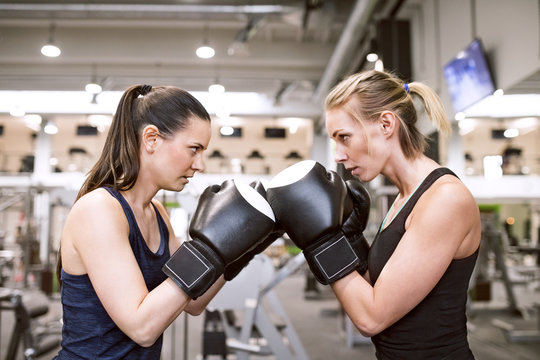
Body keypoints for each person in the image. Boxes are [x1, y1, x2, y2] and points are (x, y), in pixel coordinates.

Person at [266, 69, 481, 359]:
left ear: (385, 124)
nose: (339, 155)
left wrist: (323, 242)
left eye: (345, 137)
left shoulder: (444, 199)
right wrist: (350, 240)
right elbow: (375, 288)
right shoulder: (404, 198)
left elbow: (372, 317)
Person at [54, 84, 276, 359]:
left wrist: (248, 245)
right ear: (151, 139)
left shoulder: (157, 214)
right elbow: (142, 327)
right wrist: (208, 250)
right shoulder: (99, 209)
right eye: (194, 149)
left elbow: (194, 302)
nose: (200, 164)